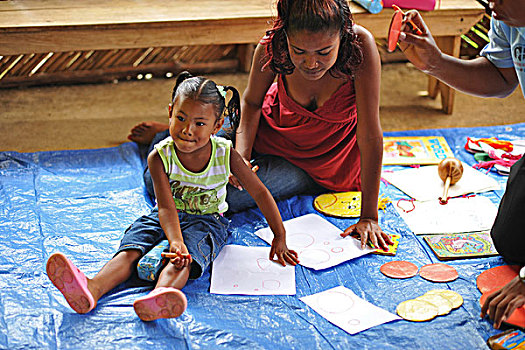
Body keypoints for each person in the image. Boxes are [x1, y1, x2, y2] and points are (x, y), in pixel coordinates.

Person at [129, 0, 392, 251]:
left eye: (324, 52)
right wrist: (241, 158)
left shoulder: (360, 47)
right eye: (298, 51)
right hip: (263, 131)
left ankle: (178, 135)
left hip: (317, 165)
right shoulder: (272, 45)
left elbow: (369, 135)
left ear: (342, 35)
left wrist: (369, 216)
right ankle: (174, 135)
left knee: (210, 197)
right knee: (161, 178)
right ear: (285, 36)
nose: (311, 63)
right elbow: (252, 104)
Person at [46, 72, 299, 321]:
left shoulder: (226, 154)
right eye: (181, 118)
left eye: (200, 123)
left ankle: (159, 296)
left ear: (217, 126)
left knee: (183, 258)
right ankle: (92, 288)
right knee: (131, 250)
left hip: (207, 221)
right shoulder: (159, 156)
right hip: (164, 215)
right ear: (170, 112)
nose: (188, 130)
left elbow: (260, 192)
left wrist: (280, 235)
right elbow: (165, 207)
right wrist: (173, 239)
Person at [392, 0, 525, 329]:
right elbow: (501, 75)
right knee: (510, 240)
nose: (493, 4)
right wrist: (435, 63)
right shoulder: (508, 12)